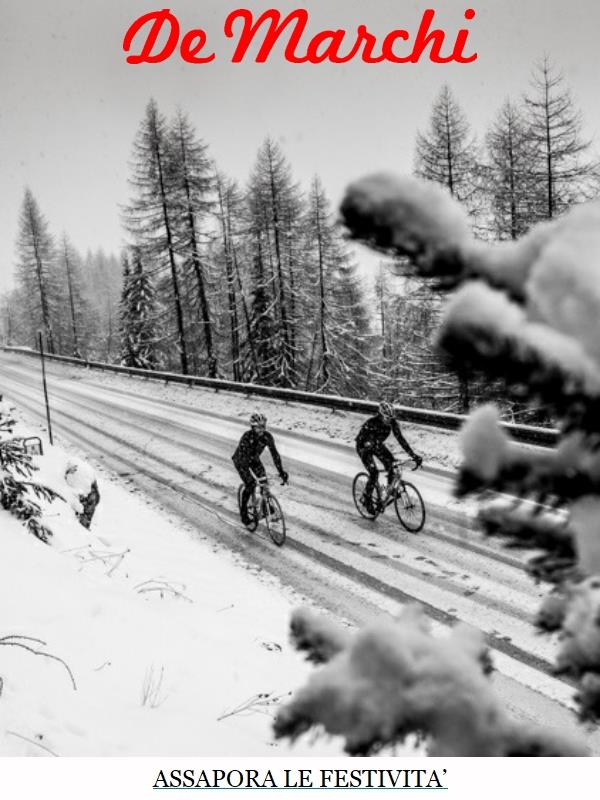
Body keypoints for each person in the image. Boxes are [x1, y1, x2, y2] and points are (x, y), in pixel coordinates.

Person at [356, 401, 422, 514]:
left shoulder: (392, 423)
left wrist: (413, 455)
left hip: (377, 445)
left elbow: (401, 440)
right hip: (363, 446)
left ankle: (389, 489)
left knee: (392, 464)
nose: (388, 421)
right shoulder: (372, 423)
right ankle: (367, 499)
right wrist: (369, 444)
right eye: (386, 418)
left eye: (391, 418)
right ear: (380, 415)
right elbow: (362, 439)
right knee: (374, 473)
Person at [233, 413, 289, 526]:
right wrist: (251, 479)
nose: (261, 429)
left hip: (254, 459)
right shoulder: (247, 437)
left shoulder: (267, 437)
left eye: (263, 426)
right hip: (241, 460)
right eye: (259, 427)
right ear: (253, 427)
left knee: (264, 483)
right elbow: (244, 457)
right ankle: (244, 514)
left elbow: (275, 455)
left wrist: (281, 472)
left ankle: (266, 505)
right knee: (250, 485)